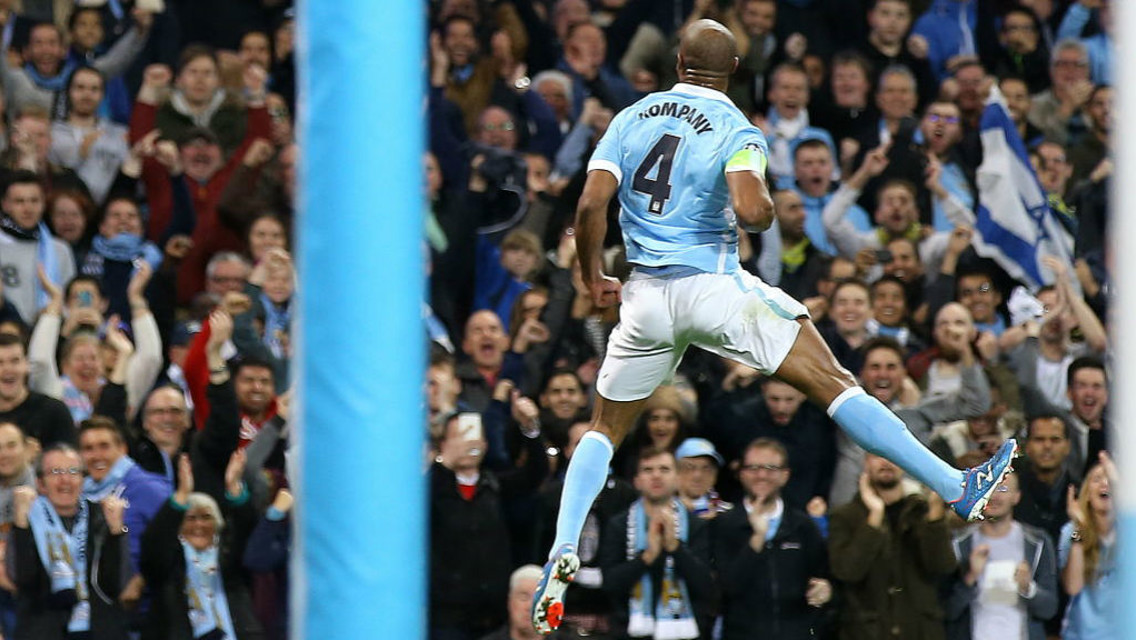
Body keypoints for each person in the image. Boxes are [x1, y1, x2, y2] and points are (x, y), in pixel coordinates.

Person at [533, 20, 1017, 636]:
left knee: (605, 427)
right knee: (834, 381)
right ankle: (954, 484)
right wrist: (757, 203)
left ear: (678, 62)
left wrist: (590, 278)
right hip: (710, 286)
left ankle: (562, 548)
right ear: (733, 68)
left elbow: (587, 207)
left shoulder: (630, 118)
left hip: (644, 295)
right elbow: (754, 211)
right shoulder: (736, 126)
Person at [829, 454, 958, 640]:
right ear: (866, 463)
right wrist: (874, 516)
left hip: (921, 631)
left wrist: (935, 516)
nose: (886, 462)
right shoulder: (844, 516)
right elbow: (847, 571)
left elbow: (943, 567)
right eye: (877, 456)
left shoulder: (923, 512)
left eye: (892, 455)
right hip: (867, 633)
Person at [713, 438, 832, 640]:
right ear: (741, 474)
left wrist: (826, 589)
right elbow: (724, 590)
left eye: (770, 468)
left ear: (785, 475)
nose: (761, 475)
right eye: (754, 468)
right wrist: (756, 540)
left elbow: (827, 576)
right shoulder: (724, 525)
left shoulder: (803, 526)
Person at [10, 444, 130, 640]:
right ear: (40, 483)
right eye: (55, 471)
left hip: (98, 630)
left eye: (73, 471)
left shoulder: (101, 516)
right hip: (43, 630)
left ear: (83, 479)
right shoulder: (27, 518)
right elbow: (23, 579)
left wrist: (118, 531)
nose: (65, 479)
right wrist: (20, 525)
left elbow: (116, 584)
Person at [139, 451, 261, 640]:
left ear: (217, 523)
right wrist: (181, 496)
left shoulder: (229, 559)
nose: (199, 525)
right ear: (179, 526)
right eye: (190, 518)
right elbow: (153, 545)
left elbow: (248, 533)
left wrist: (234, 486)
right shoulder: (170, 565)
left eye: (206, 517)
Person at [598, 447, 714, 639]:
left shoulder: (697, 526)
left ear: (677, 478)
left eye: (664, 469)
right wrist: (647, 557)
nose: (656, 476)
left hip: (684, 632)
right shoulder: (619, 524)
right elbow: (610, 584)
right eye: (648, 470)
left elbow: (705, 586)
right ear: (636, 481)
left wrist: (674, 547)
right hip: (629, 631)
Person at [944, 472, 1059, 640]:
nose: (994, 495)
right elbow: (948, 611)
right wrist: (970, 578)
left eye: (1002, 488)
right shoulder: (958, 543)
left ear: (1016, 497)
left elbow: (1049, 609)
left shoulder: (1038, 542)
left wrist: (1028, 588)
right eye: (988, 487)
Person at [1058, 452, 1118, 640]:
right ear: (1087, 494)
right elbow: (1073, 587)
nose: (1104, 484)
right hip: (1082, 633)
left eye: (1110, 479)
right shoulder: (1070, 531)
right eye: (1097, 479)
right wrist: (1080, 529)